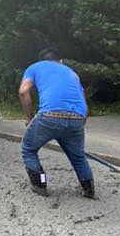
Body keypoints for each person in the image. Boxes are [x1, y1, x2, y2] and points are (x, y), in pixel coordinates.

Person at [18, 48, 94, 198]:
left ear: (42, 61)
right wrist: (77, 128)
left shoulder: (35, 67)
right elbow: (84, 106)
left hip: (49, 116)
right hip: (77, 119)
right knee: (78, 156)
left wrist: (29, 119)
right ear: (61, 61)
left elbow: (23, 91)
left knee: (28, 149)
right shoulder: (72, 73)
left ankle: (40, 185)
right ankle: (89, 190)